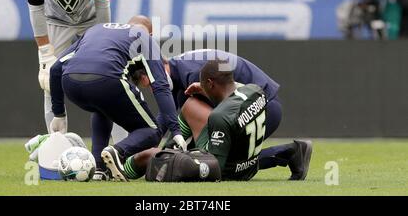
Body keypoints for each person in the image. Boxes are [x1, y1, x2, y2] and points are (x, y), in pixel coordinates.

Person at [112, 59, 312, 182]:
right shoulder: (251, 89)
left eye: (146, 80)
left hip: (258, 117)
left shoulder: (193, 78)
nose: (150, 86)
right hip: (261, 103)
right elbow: (169, 116)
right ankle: (290, 152)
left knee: (155, 156)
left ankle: (122, 168)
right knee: (190, 109)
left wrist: (174, 158)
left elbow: (216, 164)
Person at [48, 16, 186, 181]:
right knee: (151, 131)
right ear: (149, 33)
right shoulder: (144, 38)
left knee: (103, 110)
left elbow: (56, 68)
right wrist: (175, 129)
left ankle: (99, 168)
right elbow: (161, 85)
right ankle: (117, 151)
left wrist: (59, 114)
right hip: (107, 80)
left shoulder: (96, 29)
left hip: (70, 82)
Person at [24, 0, 111, 133]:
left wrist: (104, 41)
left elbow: (103, 3)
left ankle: (121, 151)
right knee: (49, 83)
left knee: (109, 79)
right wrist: (45, 52)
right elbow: (35, 8)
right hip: (56, 22)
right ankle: (57, 148)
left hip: (92, 22)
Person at [131, 49, 282, 145]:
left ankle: (289, 153)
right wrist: (138, 146)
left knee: (222, 156)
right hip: (258, 104)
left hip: (266, 105)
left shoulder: (193, 73)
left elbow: (214, 121)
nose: (153, 90)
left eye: (152, 84)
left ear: (160, 66)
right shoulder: (178, 71)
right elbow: (165, 118)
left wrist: (164, 154)